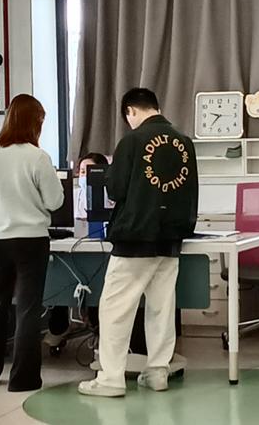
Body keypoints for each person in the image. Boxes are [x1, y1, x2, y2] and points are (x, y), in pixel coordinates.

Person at [78, 87, 199, 397]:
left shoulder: (131, 141)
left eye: (127, 117)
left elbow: (116, 189)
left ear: (131, 111)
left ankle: (110, 379)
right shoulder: (184, 142)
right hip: (171, 238)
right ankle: (158, 371)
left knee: (115, 309)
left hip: (134, 237)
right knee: (161, 308)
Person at [0, 94, 64, 391]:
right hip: (30, 240)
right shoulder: (37, 157)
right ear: (34, 122)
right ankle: (23, 379)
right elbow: (54, 201)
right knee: (27, 308)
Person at [45, 152, 109, 347]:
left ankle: (98, 329)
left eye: (89, 171)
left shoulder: (111, 196)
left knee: (98, 282)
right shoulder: (71, 196)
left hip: (100, 252)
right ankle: (58, 327)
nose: (84, 175)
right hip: (71, 248)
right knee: (60, 279)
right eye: (81, 171)